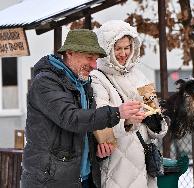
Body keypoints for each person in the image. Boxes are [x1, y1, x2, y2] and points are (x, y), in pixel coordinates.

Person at [21, 29, 145, 188]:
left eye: (96, 59)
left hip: (82, 178)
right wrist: (117, 112)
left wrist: (98, 151)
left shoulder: (82, 84)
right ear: (70, 53)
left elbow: (84, 129)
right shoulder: (45, 82)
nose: (94, 65)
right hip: (49, 181)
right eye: (89, 58)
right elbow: (71, 118)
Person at [90, 20, 168, 188]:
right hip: (118, 163)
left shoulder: (139, 75)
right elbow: (100, 121)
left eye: (127, 48)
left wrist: (155, 121)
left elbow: (156, 123)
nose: (123, 54)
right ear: (106, 49)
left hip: (144, 160)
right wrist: (127, 122)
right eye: (118, 48)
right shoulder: (98, 78)